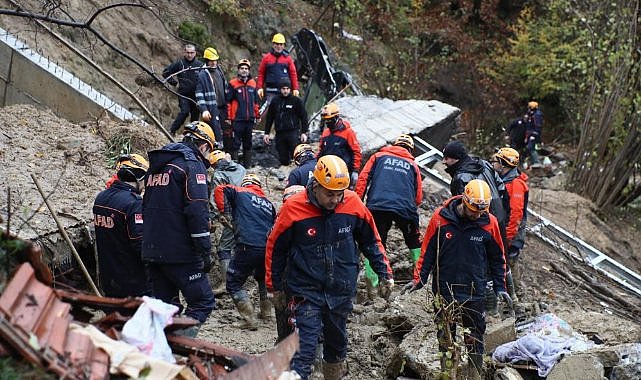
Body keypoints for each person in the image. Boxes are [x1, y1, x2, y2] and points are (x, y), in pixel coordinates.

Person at [266, 155, 394, 380]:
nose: (335, 200)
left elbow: (372, 242)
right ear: (316, 185)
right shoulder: (294, 208)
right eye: (329, 194)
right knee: (304, 349)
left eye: (339, 194)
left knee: (336, 344)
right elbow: (275, 249)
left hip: (341, 288)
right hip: (306, 290)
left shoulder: (353, 204)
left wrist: (385, 273)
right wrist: (274, 287)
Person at [409, 179, 511, 377]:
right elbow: (427, 250)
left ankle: (474, 374)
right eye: (473, 210)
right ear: (464, 201)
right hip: (444, 289)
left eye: (481, 211)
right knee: (445, 336)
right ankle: (448, 373)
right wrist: (419, 278)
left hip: (474, 291)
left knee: (474, 337)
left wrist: (500, 286)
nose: (476, 215)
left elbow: (498, 258)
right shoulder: (441, 218)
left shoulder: (488, 223)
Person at [142, 121, 217, 336]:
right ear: (203, 145)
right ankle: (179, 348)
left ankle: (163, 350)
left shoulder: (157, 167)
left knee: (165, 307)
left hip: (152, 250)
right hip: (180, 252)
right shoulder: (192, 166)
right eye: (209, 150)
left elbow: (146, 207)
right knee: (202, 301)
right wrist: (205, 251)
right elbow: (197, 211)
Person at [442, 140, 509, 315]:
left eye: (446, 158)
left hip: (479, 223)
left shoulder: (460, 178)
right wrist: (501, 212)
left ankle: (488, 311)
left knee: (481, 264)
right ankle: (510, 299)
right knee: (500, 257)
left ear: (455, 159)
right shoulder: (485, 164)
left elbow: (463, 208)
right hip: (498, 218)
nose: (443, 162)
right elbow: (501, 188)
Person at [355, 134, 423, 297]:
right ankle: (421, 279)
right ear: (410, 149)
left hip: (378, 207)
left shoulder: (378, 156)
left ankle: (373, 285)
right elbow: (419, 196)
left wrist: (358, 202)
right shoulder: (413, 165)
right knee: (414, 241)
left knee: (375, 243)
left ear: (395, 144)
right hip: (405, 209)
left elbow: (363, 179)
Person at [214, 173, 276, 330]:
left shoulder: (240, 192)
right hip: (267, 248)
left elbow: (220, 189)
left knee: (233, 282)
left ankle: (249, 320)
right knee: (262, 278)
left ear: (246, 184)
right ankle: (267, 314)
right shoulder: (269, 204)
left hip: (247, 245)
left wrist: (225, 212)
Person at [93, 153, 151, 298]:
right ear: (139, 178)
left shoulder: (101, 197)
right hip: (133, 281)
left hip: (109, 278)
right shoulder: (133, 203)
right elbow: (139, 244)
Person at [491, 147, 529, 300]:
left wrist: (506, 238)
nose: (493, 164)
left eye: (496, 161)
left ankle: (515, 301)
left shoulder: (515, 185)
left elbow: (515, 215)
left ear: (503, 164)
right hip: (505, 233)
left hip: (511, 237)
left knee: (507, 268)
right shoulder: (505, 180)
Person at [208, 150, 246, 295]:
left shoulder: (218, 175)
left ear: (214, 164)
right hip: (249, 211)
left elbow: (215, 200)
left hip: (234, 214)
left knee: (224, 247)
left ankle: (227, 283)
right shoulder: (241, 169)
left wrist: (211, 218)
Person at [263, 78, 309, 166]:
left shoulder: (296, 101)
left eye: (287, 89)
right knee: (282, 157)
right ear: (280, 89)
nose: (285, 91)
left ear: (290, 89)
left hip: (293, 132)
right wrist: (266, 133)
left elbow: (303, 117)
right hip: (280, 133)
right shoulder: (275, 101)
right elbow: (270, 117)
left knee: (296, 155)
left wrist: (304, 132)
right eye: (283, 89)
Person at [316, 102, 362, 190]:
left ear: (336, 117)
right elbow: (321, 151)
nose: (328, 122)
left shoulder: (348, 133)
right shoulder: (326, 133)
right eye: (326, 120)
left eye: (330, 120)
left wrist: (355, 171)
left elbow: (356, 151)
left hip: (343, 172)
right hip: (327, 171)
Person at [162, 44, 202, 136]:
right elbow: (165, 72)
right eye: (188, 53)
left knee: (195, 117)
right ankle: (172, 131)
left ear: (195, 53)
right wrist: (174, 83)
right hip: (183, 94)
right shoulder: (179, 63)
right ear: (184, 53)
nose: (189, 55)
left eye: (192, 53)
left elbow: (205, 80)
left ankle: (192, 135)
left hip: (196, 96)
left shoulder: (199, 65)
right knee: (184, 112)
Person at [226, 59, 260, 168]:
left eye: (246, 68)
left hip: (249, 119)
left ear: (249, 70)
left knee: (248, 143)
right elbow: (228, 103)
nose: (244, 70)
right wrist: (229, 118)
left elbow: (255, 102)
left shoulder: (253, 84)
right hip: (237, 119)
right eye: (242, 68)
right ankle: (234, 166)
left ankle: (247, 167)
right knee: (235, 143)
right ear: (238, 70)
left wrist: (257, 115)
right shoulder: (232, 83)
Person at [256, 33, 300, 104]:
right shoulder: (266, 58)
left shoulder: (288, 59)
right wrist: (259, 87)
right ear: (273, 44)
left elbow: (293, 74)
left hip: (284, 92)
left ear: (283, 45)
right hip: (270, 91)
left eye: (281, 44)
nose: (279, 46)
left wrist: (295, 88)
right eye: (277, 44)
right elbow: (261, 73)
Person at [195, 47, 226, 143]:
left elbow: (225, 86)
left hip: (223, 107)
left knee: (225, 131)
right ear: (206, 60)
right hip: (212, 109)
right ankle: (217, 152)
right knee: (215, 133)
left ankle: (224, 152)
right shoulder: (203, 74)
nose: (214, 63)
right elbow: (199, 94)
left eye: (215, 60)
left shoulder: (219, 70)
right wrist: (204, 110)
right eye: (211, 61)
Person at [524, 101, 544, 165]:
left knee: (531, 147)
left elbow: (538, 126)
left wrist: (534, 135)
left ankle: (536, 162)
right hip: (529, 133)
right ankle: (532, 162)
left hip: (534, 134)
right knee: (529, 148)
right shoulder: (530, 114)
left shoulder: (537, 115)